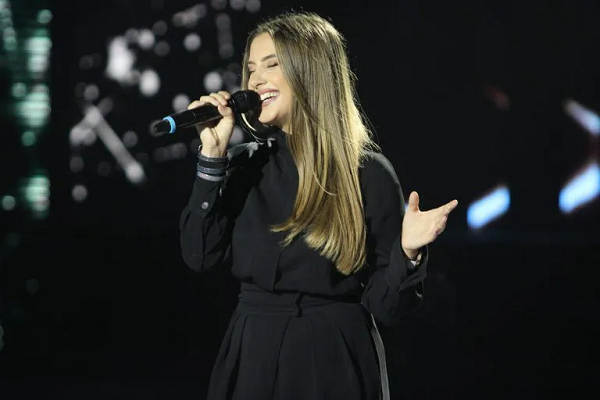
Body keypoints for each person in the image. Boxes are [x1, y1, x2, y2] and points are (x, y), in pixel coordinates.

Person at [179, 11, 458, 400]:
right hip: (252, 352)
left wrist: (408, 253)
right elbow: (199, 255)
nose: (255, 80)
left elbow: (388, 308)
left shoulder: (367, 174)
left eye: (272, 65)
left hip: (332, 357)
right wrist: (211, 159)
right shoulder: (243, 166)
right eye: (251, 69)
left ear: (310, 72)